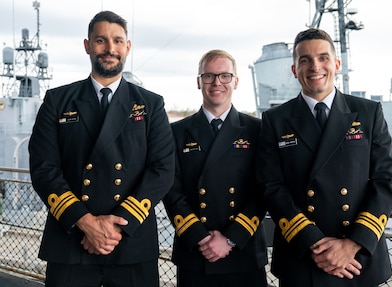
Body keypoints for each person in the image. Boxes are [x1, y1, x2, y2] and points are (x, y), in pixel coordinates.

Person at [29, 11, 175, 287]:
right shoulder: (58, 101)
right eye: (101, 40)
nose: (110, 49)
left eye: (118, 41)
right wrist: (86, 223)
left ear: (127, 47)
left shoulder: (151, 104)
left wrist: (115, 226)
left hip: (130, 241)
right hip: (71, 239)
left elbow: (163, 169)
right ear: (87, 45)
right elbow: (44, 168)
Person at [256, 28, 392, 287]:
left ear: (336, 64)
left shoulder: (367, 113)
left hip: (358, 260)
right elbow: (271, 186)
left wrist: (352, 243)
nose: (315, 67)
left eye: (323, 58)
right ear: (294, 69)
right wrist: (314, 244)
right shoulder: (275, 120)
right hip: (302, 255)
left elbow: (386, 179)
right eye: (305, 60)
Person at [163, 49, 268, 287]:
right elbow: (171, 190)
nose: (216, 83)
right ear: (199, 82)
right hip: (196, 253)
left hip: (243, 251)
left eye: (224, 76)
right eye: (209, 76)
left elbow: (264, 190)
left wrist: (231, 238)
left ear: (236, 81)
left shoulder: (258, 130)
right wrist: (200, 237)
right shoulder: (177, 132)